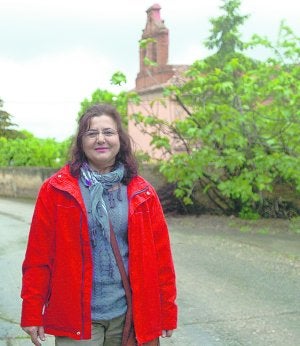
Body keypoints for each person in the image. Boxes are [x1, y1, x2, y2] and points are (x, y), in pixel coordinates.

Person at [20, 104, 177, 346]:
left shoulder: (142, 192)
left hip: (130, 315)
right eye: (91, 133)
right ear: (81, 142)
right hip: (77, 319)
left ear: (120, 139)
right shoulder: (56, 191)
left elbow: (161, 260)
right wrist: (32, 311)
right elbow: (38, 257)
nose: (100, 139)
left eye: (108, 132)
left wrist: (167, 312)